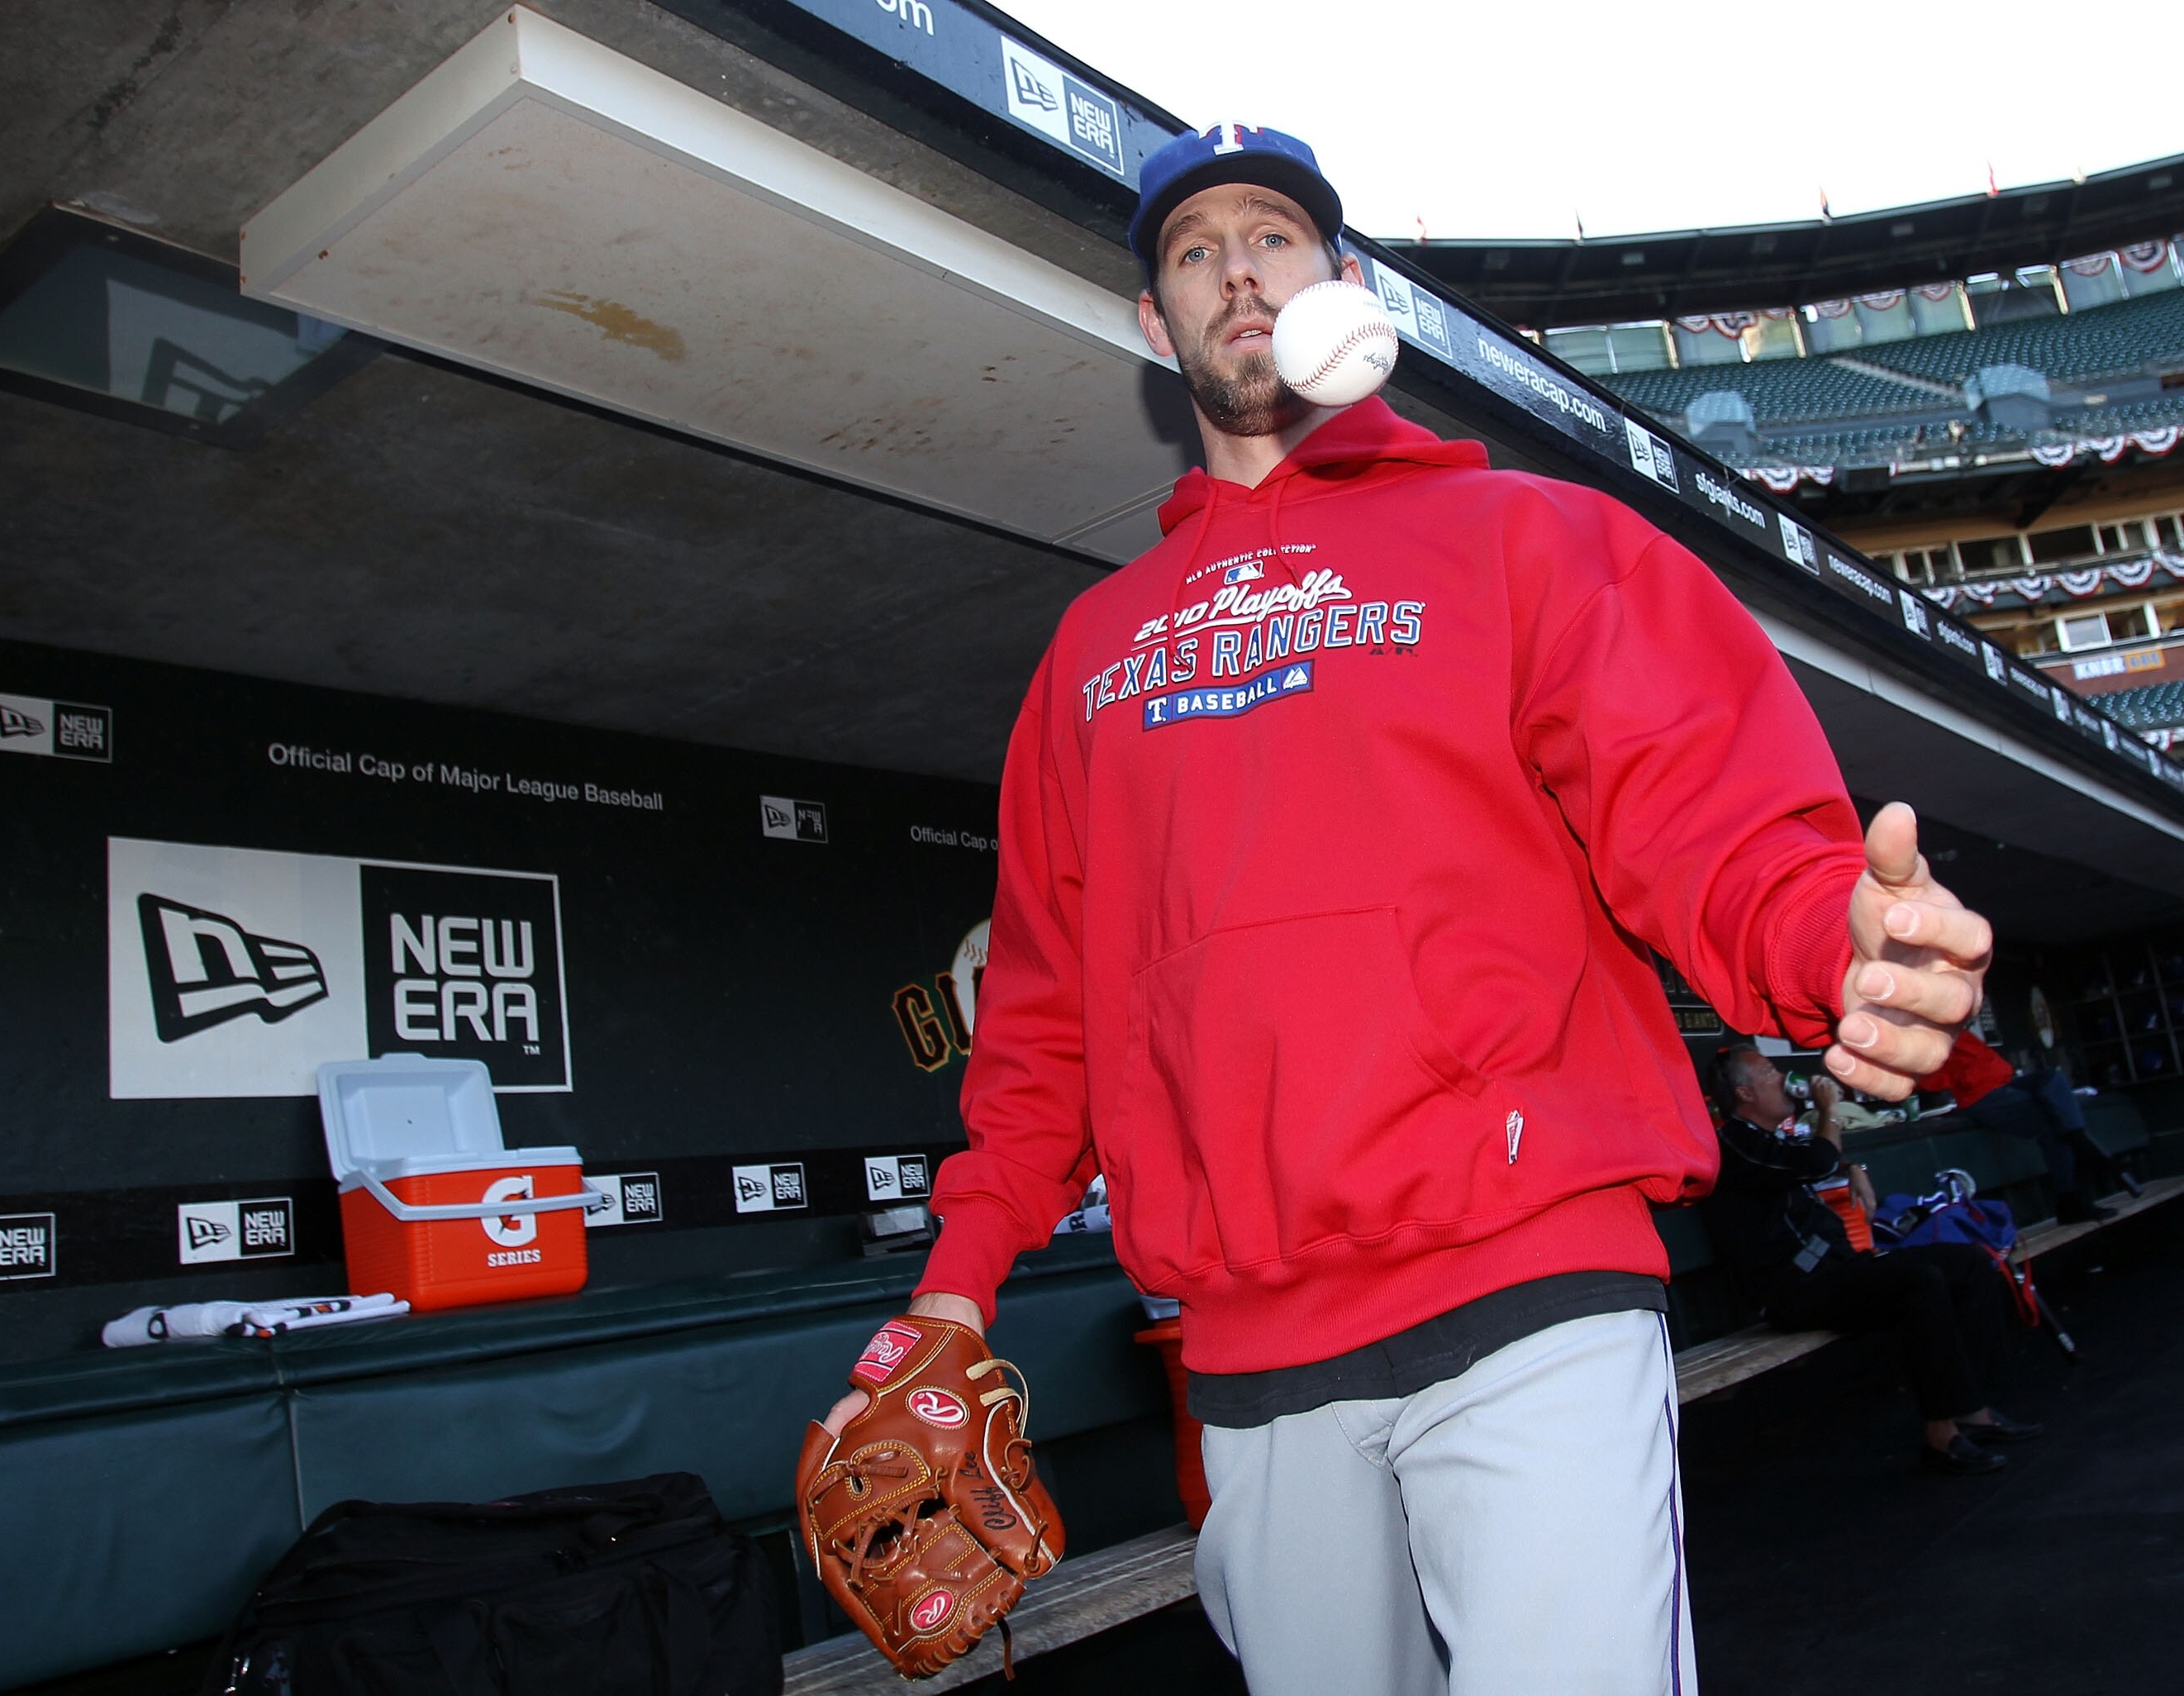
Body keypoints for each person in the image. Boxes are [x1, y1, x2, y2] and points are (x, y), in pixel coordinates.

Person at [816, 123, 1994, 1695]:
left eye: (1276, 235)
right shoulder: (1091, 654)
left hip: (1531, 1286)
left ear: (1342, 285)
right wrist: (952, 1291)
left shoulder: (1530, 537)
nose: (1240, 266)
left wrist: (1822, 942)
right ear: (1154, 330)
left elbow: (1704, 820)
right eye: (1194, 250)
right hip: (1246, 1347)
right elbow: (1045, 1019)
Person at [1701, 1044, 2039, 1475]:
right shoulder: (1734, 1142)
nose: (1782, 1076)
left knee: (1968, 1261)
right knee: (1919, 1281)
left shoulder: (1770, 1140)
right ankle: (1941, 1434)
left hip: (1835, 1272)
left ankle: (1974, 1408)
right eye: (1769, 1072)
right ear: (1745, 1094)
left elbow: (1815, 1161)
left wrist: (1852, 1164)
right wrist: (1830, 1110)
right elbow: (1813, 1161)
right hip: (1794, 1289)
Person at [1920, 1027, 2125, 1222]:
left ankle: (2079, 1139)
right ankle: (2071, 1196)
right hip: (1981, 1097)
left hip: (2004, 1083)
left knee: (2052, 1079)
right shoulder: (1927, 1036)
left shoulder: (1953, 1026)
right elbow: (1926, 1078)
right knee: (2052, 1122)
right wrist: (1956, 1078)